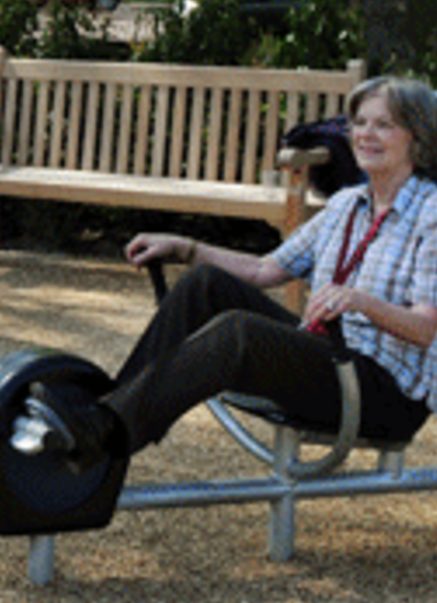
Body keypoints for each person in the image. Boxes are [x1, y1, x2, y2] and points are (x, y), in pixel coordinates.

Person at [27, 76, 437, 470]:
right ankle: (103, 413)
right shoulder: (346, 204)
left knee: (239, 332)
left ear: (416, 138)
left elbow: (425, 329)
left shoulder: (431, 214)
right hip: (329, 356)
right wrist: (186, 248)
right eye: (360, 123)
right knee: (204, 284)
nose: (366, 135)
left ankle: (105, 428)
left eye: (384, 125)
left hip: (383, 393)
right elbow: (264, 269)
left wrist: (360, 301)